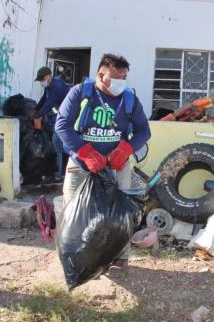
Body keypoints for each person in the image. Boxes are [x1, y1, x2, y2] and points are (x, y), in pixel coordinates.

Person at [55, 53, 151, 262]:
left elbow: (144, 131)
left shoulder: (129, 99)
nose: (120, 83)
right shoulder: (79, 93)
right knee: (74, 213)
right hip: (80, 166)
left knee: (120, 214)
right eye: (115, 78)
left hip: (118, 167)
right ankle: (74, 261)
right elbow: (62, 125)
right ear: (100, 75)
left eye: (123, 78)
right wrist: (85, 152)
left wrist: (126, 149)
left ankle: (119, 256)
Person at [35, 66, 70, 180]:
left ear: (49, 77)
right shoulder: (49, 86)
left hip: (65, 121)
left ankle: (59, 174)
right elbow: (44, 99)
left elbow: (50, 103)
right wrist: (36, 109)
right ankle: (62, 173)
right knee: (61, 148)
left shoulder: (57, 86)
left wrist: (38, 115)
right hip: (59, 121)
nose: (41, 82)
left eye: (42, 79)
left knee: (57, 147)